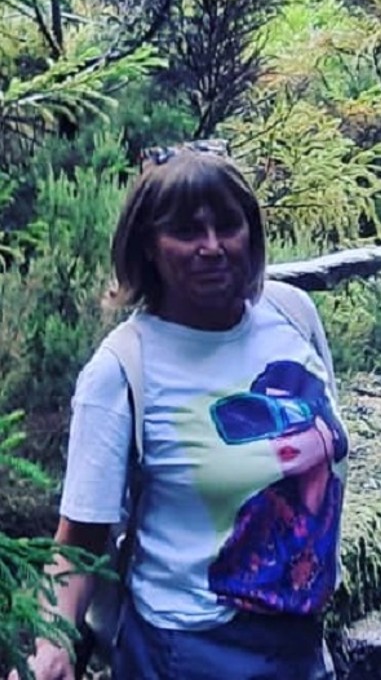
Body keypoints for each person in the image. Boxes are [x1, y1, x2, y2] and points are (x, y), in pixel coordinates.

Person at [12, 143, 347, 680]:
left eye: (227, 226)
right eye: (187, 231)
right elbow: (78, 543)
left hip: (299, 646)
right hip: (186, 653)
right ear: (148, 246)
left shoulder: (292, 316)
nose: (212, 247)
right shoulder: (122, 370)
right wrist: (53, 645)